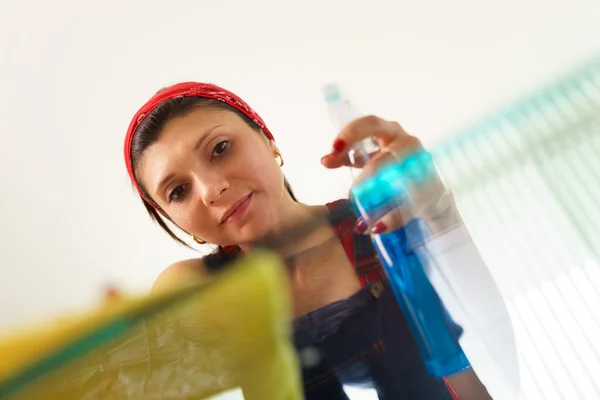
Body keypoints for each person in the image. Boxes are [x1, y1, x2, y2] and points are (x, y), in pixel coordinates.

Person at [123, 82, 492, 399]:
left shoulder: (380, 227)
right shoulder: (196, 290)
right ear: (173, 220)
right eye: (178, 191)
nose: (211, 189)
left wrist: (439, 217)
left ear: (269, 142)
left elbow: (469, 372)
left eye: (220, 148)